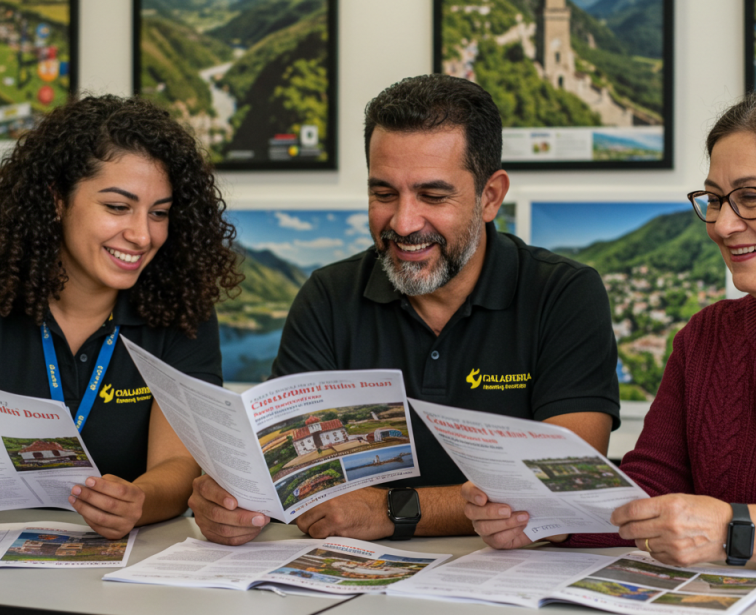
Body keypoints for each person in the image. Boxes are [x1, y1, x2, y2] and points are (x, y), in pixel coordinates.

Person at [463, 82, 756, 574]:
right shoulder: (706, 336)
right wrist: (547, 515)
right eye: (716, 199)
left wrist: (737, 531)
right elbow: (654, 482)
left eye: (751, 196)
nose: (721, 224)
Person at [189, 74, 621, 545]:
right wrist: (235, 502)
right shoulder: (328, 295)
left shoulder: (564, 293)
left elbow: (565, 485)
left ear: (490, 196)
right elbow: (289, 469)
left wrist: (395, 510)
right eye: (383, 193)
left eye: (433, 196)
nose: (403, 222)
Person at [0, 95, 242, 539]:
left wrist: (137, 501)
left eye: (160, 213)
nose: (141, 234)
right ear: (57, 199)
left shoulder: (181, 311)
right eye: (117, 207)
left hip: (122, 573)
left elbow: (176, 468)